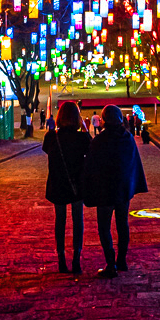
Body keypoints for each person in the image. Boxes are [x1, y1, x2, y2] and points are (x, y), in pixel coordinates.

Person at [81, 104, 148, 278]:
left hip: (105, 191)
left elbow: (91, 167)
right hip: (123, 189)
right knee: (122, 224)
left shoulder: (100, 141)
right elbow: (133, 163)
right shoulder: (127, 138)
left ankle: (111, 263)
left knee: (104, 227)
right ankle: (122, 260)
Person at [42, 101, 91, 274]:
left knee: (60, 221)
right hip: (77, 183)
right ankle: (76, 257)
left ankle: (61, 258)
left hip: (58, 182)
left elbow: (46, 151)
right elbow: (90, 149)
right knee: (78, 221)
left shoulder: (51, 137)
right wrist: (85, 129)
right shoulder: (82, 138)